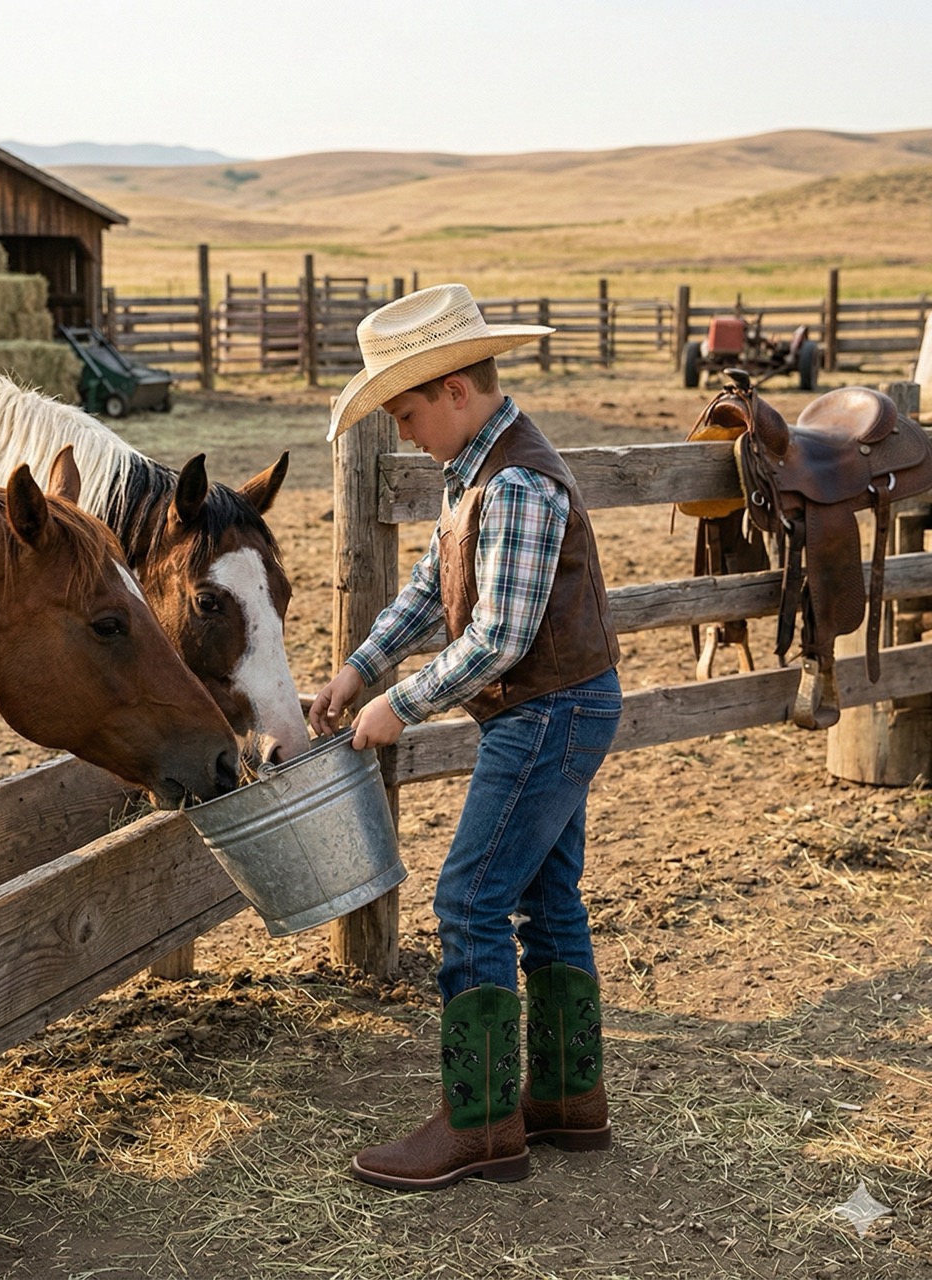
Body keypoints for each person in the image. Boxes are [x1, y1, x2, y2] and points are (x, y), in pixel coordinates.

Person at [309, 283, 622, 1190]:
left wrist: (398, 705)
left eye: (406, 410)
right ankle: (567, 1099)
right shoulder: (475, 473)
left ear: (454, 389)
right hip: (556, 706)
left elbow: (500, 637)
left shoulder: (515, 480)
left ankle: (481, 1125)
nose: (403, 430)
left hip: (547, 710)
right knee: (546, 894)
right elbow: (431, 581)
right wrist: (364, 664)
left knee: (470, 899)